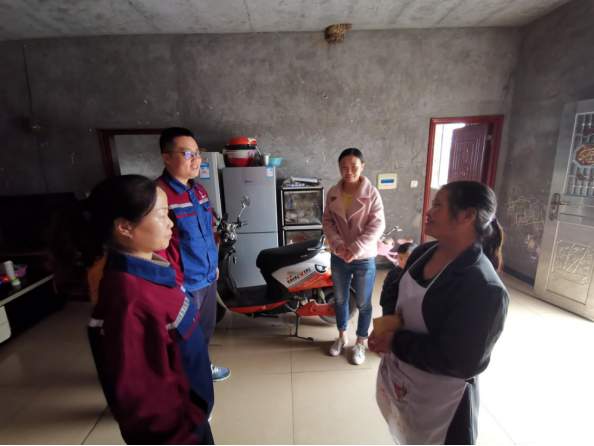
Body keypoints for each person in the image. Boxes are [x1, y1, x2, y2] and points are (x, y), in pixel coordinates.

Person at [369, 181, 509, 446]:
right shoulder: (424, 252)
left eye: (437, 205)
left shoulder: (483, 286)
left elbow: (461, 361)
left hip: (444, 405)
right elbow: (397, 293)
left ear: (467, 216)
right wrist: (386, 328)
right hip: (406, 381)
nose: (428, 211)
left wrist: (397, 342)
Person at [85, 175, 215, 445]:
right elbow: (143, 395)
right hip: (179, 434)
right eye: (161, 215)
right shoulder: (131, 301)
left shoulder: (154, 273)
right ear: (125, 227)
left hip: (191, 417)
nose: (171, 223)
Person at [157, 127, 230, 383]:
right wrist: (171, 283)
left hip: (207, 276)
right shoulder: (159, 195)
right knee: (183, 335)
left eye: (197, 153)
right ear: (167, 157)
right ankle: (184, 381)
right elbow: (157, 247)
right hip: (183, 282)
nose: (196, 159)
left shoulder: (198, 191)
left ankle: (201, 367)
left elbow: (207, 232)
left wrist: (214, 264)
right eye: (188, 153)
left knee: (205, 329)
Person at [322, 148, 386, 365]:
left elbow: (377, 225)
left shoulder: (372, 193)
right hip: (339, 255)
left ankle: (360, 341)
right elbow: (327, 221)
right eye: (344, 167)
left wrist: (356, 248)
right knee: (340, 300)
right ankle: (341, 336)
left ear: (362, 167)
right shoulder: (333, 192)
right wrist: (338, 245)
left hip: (363, 257)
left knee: (364, 303)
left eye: (354, 167)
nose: (348, 171)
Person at [380, 242, 418, 316]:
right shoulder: (393, 272)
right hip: (391, 307)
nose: (404, 262)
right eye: (400, 258)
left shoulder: (417, 274)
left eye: (408, 258)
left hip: (409, 309)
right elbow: (386, 289)